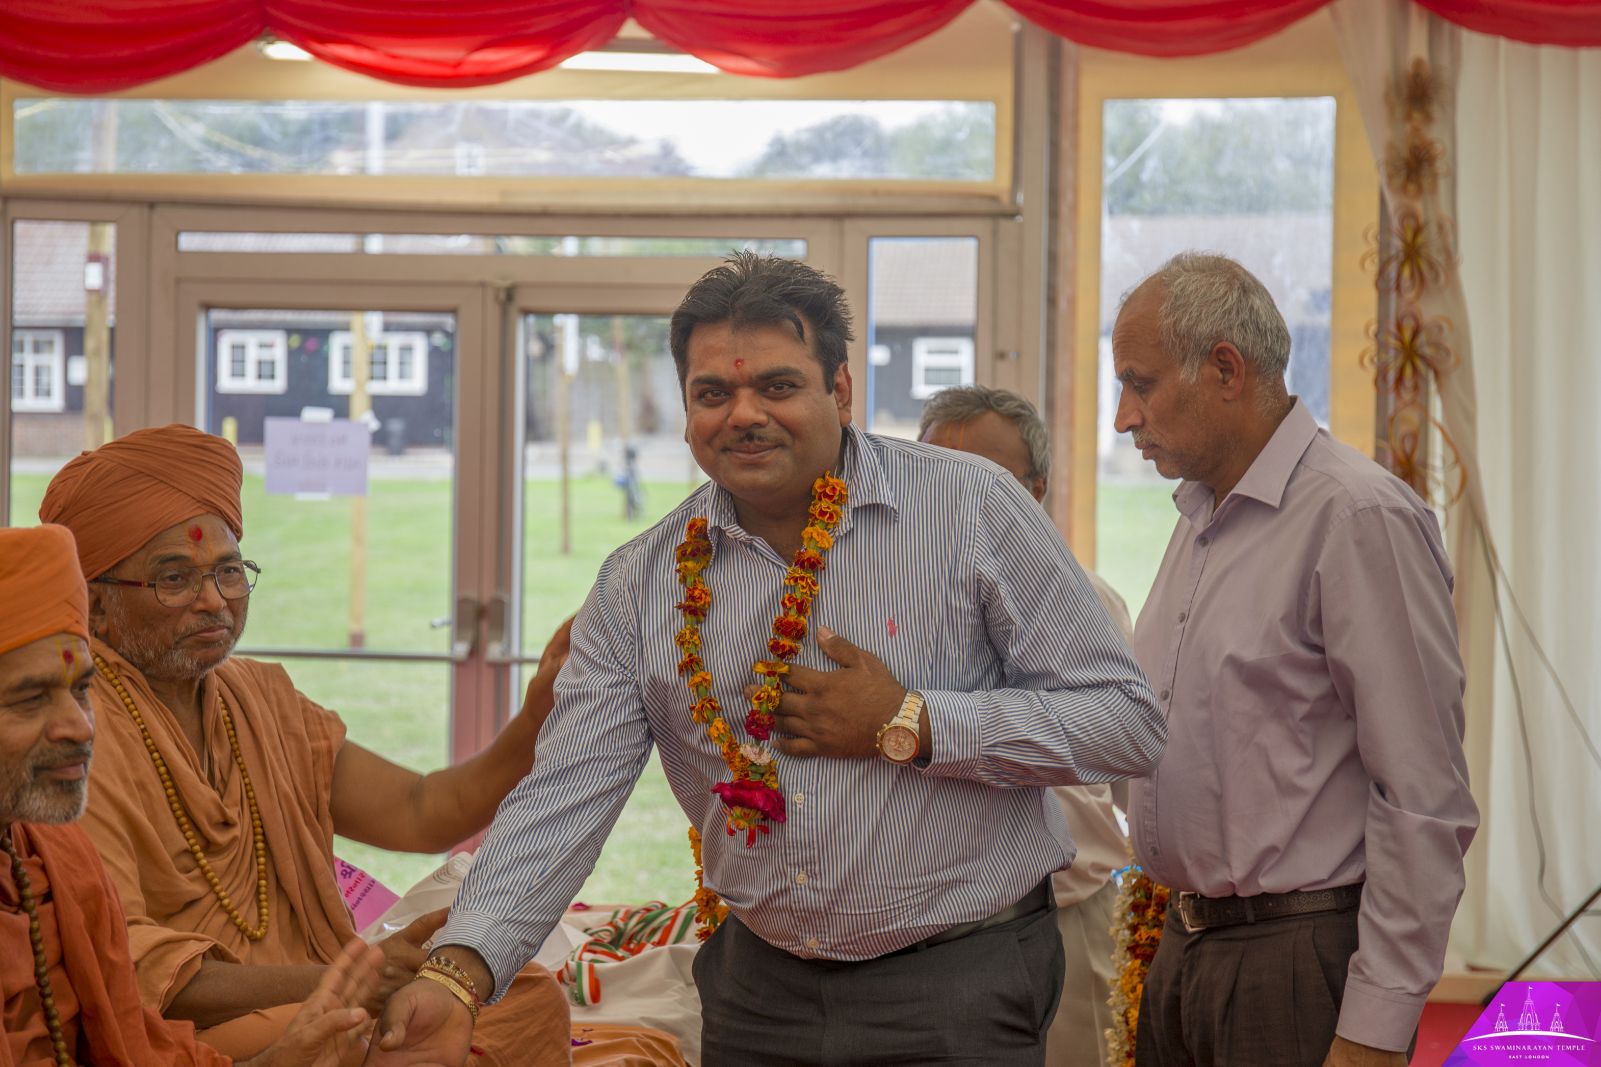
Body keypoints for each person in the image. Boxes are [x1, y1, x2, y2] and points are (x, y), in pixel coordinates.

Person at [374, 252, 1167, 1067]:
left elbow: (1125, 721)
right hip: (758, 989)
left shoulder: (971, 508)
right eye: (712, 393)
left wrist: (911, 720)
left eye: (778, 385)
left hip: (957, 978)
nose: (743, 414)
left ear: (841, 390)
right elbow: (563, 794)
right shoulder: (640, 583)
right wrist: (457, 972)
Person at [38, 425, 685, 1067]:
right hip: (190, 1030)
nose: (214, 601)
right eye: (175, 578)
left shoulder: (258, 699)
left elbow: (420, 808)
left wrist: (537, 715)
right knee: (351, 1033)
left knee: (521, 996)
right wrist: (349, 979)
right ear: (95, 605)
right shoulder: (74, 737)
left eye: (229, 571)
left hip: (320, 991)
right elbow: (134, 969)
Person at [1112, 253, 1478, 1067]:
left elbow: (1422, 793)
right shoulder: (1197, 518)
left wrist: (1374, 1025)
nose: (1122, 417)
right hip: (1184, 945)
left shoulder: (1355, 516)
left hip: (1294, 958)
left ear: (1225, 369)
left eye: (1139, 383)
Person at [1, 523, 384, 1067]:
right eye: (30, 699)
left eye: (81, 689)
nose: (80, 726)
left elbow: (134, 1046)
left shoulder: (55, 858)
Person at [919, 384, 1131, 1067]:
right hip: (928, 932)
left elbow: (1133, 763)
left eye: (986, 479)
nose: (957, 499)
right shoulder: (885, 607)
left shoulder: (1084, 603)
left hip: (1065, 910)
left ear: (1036, 492)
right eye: (936, 475)